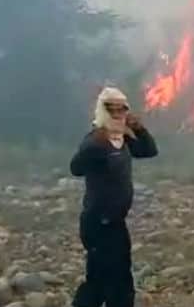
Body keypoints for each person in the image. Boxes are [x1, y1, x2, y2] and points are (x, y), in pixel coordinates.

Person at [69, 87, 158, 307]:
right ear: (103, 110)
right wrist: (94, 147)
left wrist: (139, 129)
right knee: (102, 280)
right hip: (97, 222)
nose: (117, 114)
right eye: (112, 109)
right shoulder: (95, 140)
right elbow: (76, 168)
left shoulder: (122, 138)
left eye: (122, 109)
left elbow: (148, 151)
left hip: (116, 222)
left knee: (118, 277)